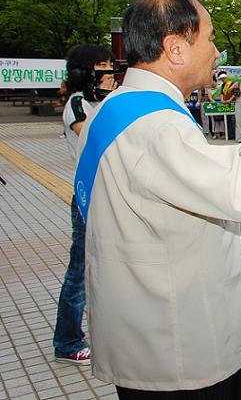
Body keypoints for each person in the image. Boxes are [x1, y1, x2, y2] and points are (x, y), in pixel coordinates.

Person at [79, 0, 241, 397]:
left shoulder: (115, 107)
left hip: (143, 325)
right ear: (175, 48)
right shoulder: (155, 125)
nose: (216, 51)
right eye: (209, 39)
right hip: (179, 348)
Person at [54, 44, 116, 366]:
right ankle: (66, 341)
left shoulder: (97, 102)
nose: (110, 74)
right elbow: (95, 138)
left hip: (104, 197)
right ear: (86, 72)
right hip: (86, 198)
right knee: (78, 273)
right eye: (103, 67)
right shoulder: (78, 105)